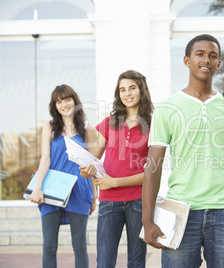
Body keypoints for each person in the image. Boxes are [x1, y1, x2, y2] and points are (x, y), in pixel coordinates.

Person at [142, 34, 224, 268]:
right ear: (187, 60)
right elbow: (153, 167)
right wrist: (147, 220)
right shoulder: (168, 107)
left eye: (213, 56)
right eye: (200, 54)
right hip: (180, 211)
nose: (206, 60)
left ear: (218, 64)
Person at [80, 70, 154, 268]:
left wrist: (114, 182)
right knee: (104, 261)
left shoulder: (154, 125)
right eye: (122, 89)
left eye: (132, 88)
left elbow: (152, 173)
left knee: (136, 262)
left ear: (141, 90)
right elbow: (93, 158)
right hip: (109, 202)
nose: (127, 93)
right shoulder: (109, 123)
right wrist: (86, 169)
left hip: (139, 201)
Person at [29, 84, 97, 268]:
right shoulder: (49, 127)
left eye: (67, 99)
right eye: (59, 102)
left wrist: (94, 197)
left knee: (80, 246)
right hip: (53, 189)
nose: (64, 104)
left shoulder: (87, 128)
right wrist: (37, 187)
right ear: (55, 106)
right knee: (49, 246)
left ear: (75, 101)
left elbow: (92, 164)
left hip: (80, 189)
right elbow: (45, 159)